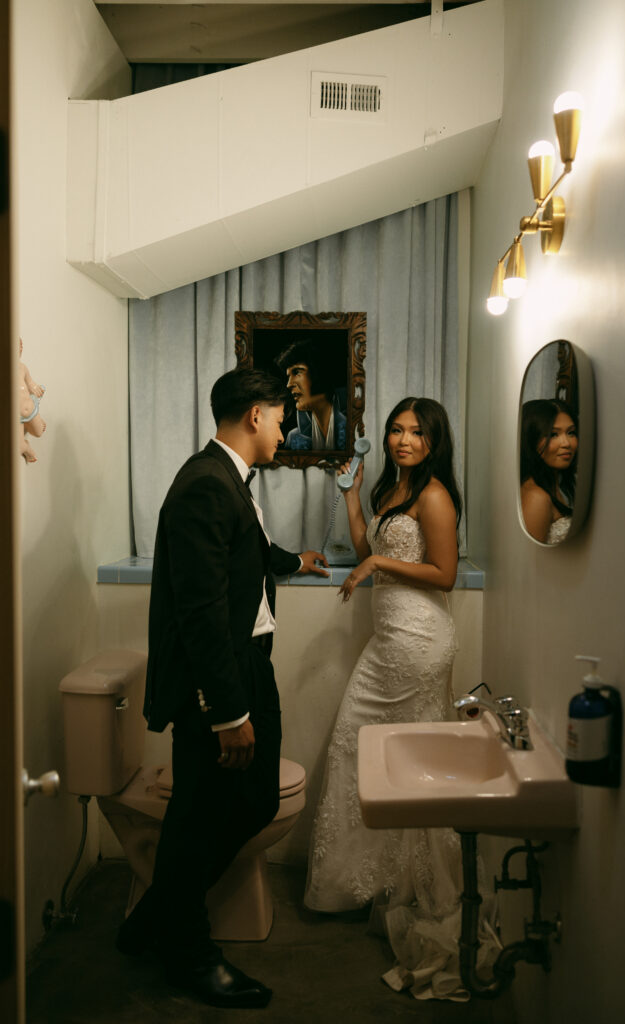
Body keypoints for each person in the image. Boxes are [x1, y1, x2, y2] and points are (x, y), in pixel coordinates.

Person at [116, 368, 329, 1009]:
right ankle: (187, 950)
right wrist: (227, 711)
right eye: (282, 416)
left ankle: (155, 920)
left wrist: (294, 561)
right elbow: (200, 611)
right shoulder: (204, 488)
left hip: (247, 669)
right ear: (256, 415)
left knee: (253, 800)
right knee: (202, 816)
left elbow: (248, 550)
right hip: (224, 685)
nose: (287, 428)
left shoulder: (226, 480)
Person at [304, 398, 499, 1000]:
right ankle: (356, 884)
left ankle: (413, 887)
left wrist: (377, 565)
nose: (403, 440)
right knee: (355, 750)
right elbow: (368, 556)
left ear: (435, 440)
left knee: (405, 764)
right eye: (396, 429)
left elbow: (442, 573)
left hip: (419, 642)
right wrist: (352, 496)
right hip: (388, 641)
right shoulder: (397, 489)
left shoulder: (435, 495)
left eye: (416, 432)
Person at [520, 398, 578, 545]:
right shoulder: (536, 497)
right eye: (553, 435)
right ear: (530, 440)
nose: (566, 443)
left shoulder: (559, 486)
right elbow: (531, 564)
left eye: (571, 433)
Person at [275, 338, 346, 449]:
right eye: (288, 376)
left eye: (297, 372)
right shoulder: (294, 438)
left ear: (320, 371)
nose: (289, 384)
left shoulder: (353, 431)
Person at [19, 339, 46, 463]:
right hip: (16, 417)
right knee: (18, 446)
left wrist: (35, 388)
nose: (20, 349)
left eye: (20, 347)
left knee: (39, 432)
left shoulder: (22, 368)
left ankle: (38, 419)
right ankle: (26, 448)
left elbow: (30, 383)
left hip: (30, 407)